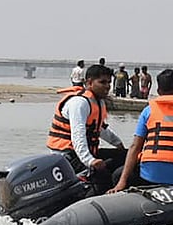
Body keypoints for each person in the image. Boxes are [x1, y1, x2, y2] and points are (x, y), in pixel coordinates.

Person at [47, 64, 125, 192]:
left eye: (109, 82)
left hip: (85, 153)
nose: (107, 86)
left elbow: (100, 129)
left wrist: (118, 144)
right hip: (67, 157)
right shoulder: (79, 103)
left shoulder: (97, 101)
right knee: (103, 176)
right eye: (102, 82)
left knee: (126, 156)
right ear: (89, 83)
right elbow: (78, 136)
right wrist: (90, 161)